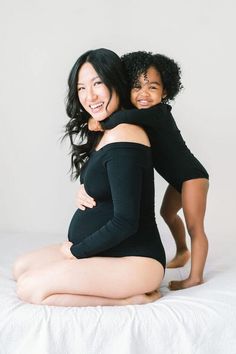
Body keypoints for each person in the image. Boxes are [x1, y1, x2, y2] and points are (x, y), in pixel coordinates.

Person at [12, 48, 166, 307]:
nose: (89, 96)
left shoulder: (126, 134)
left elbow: (126, 221)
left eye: (98, 84)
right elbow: (112, 182)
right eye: (81, 88)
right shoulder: (107, 130)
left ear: (116, 82)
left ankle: (131, 299)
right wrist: (86, 188)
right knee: (20, 268)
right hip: (104, 252)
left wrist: (75, 252)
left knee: (30, 289)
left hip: (135, 259)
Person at [78, 51, 209, 291]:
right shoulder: (140, 119)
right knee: (167, 214)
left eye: (152, 88)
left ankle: (195, 276)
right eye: (136, 87)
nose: (144, 94)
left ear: (165, 92)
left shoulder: (159, 113)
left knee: (195, 226)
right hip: (176, 179)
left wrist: (99, 121)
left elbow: (122, 117)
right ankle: (182, 251)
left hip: (192, 177)